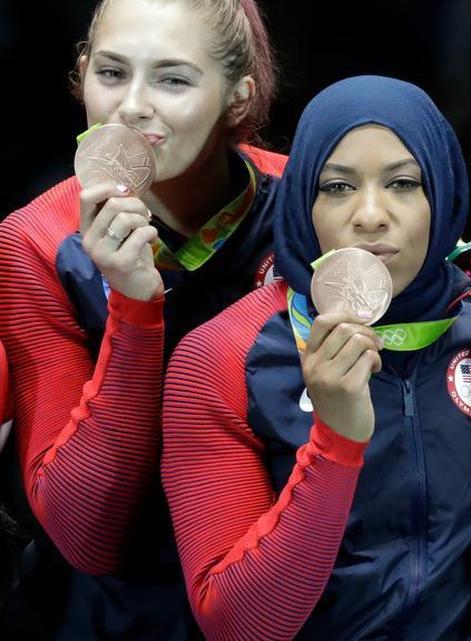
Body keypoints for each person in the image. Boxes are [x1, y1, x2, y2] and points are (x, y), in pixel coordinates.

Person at [161, 75, 471, 640]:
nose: (370, 215)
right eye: (337, 187)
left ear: (445, 193)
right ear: (300, 201)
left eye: (404, 183)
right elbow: (236, 623)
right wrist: (335, 443)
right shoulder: (219, 356)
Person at [0, 0, 283, 637]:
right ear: (82, 74)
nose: (131, 105)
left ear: (237, 98)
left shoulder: (312, 203)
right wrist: (132, 308)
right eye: (111, 73)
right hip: (96, 614)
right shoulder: (35, 240)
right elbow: (87, 535)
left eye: (173, 79)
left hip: (279, 601)